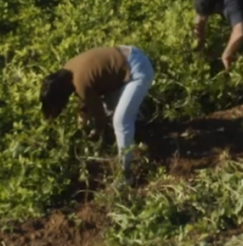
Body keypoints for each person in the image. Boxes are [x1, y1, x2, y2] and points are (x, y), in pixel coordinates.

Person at [40, 46, 156, 186]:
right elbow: (85, 105)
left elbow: (98, 116)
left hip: (137, 68)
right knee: (112, 109)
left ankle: (125, 175)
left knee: (120, 121)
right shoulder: (67, 72)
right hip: (127, 58)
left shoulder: (80, 83)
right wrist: (82, 128)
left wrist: (97, 131)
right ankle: (137, 117)